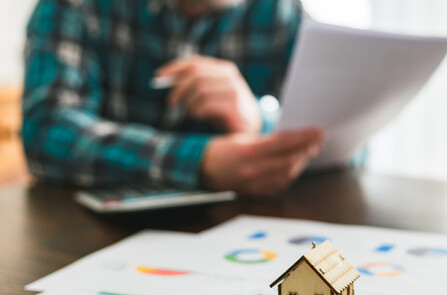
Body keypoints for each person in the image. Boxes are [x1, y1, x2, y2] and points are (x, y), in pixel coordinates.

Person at [22, 0, 324, 196]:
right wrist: (201, 161)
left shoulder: (281, 12)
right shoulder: (77, 6)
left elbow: (343, 137)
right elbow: (45, 132)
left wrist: (258, 120)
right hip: (85, 234)